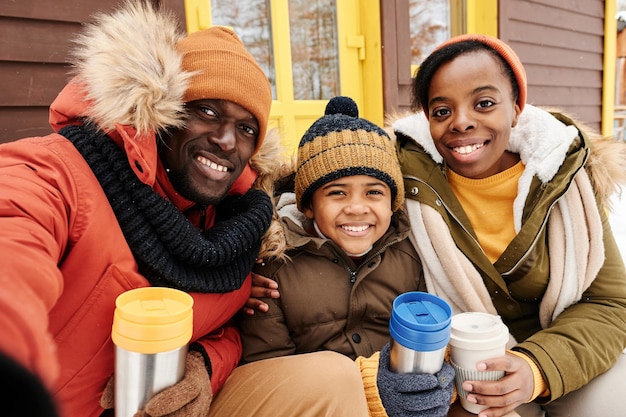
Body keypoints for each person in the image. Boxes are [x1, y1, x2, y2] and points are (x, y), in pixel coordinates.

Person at [0, 2, 280, 416]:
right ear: (162, 111)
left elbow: (227, 328)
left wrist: (205, 362)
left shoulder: (234, 227)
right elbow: (14, 242)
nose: (226, 139)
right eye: (206, 110)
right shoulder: (62, 171)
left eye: (246, 128)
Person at [391, 34, 626, 416]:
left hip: (562, 355)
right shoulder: (405, 186)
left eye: (484, 103)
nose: (461, 122)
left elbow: (610, 302)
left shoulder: (564, 181)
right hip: (465, 373)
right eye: (441, 111)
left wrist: (537, 367)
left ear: (516, 109)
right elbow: (327, 203)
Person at [209, 96, 455, 417]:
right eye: (337, 192)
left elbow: (423, 331)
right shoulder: (274, 265)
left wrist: (432, 377)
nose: (356, 207)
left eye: (374, 192)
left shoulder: (407, 253)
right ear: (308, 206)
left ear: (392, 202)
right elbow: (273, 369)